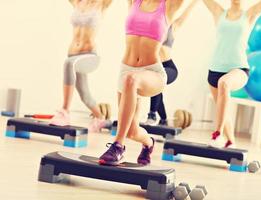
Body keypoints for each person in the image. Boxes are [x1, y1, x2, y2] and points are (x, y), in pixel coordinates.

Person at [99, 0, 185, 166]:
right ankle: (148, 143)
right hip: (126, 70)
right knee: (132, 131)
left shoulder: (169, 5)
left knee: (132, 79)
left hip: (152, 72)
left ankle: (118, 146)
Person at [202, 0, 261, 148]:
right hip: (215, 69)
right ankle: (231, 141)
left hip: (239, 68)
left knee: (224, 83)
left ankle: (217, 134)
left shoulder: (249, 15)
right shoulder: (219, 12)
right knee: (222, 108)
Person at [50, 0, 113, 133]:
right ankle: (101, 119)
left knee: (68, 64)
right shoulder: (78, 2)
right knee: (85, 95)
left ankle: (65, 111)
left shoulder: (102, 3)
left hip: (89, 56)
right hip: (73, 54)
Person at [146, 0, 199, 126]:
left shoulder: (172, 26)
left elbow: (186, 13)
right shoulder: (150, 24)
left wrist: (194, 2)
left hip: (169, 67)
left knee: (158, 79)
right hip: (155, 67)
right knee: (156, 89)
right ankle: (163, 120)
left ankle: (152, 114)